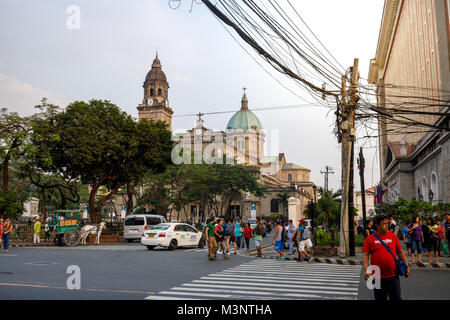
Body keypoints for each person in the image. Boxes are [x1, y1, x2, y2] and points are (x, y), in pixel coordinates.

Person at [362, 214, 410, 301]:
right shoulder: (369, 239)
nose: (387, 225)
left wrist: (407, 266)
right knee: (380, 298)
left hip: (393, 275)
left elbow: (400, 252)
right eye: (384, 223)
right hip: (376, 275)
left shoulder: (393, 236)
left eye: (387, 223)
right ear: (377, 225)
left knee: (396, 298)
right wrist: (366, 270)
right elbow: (365, 255)